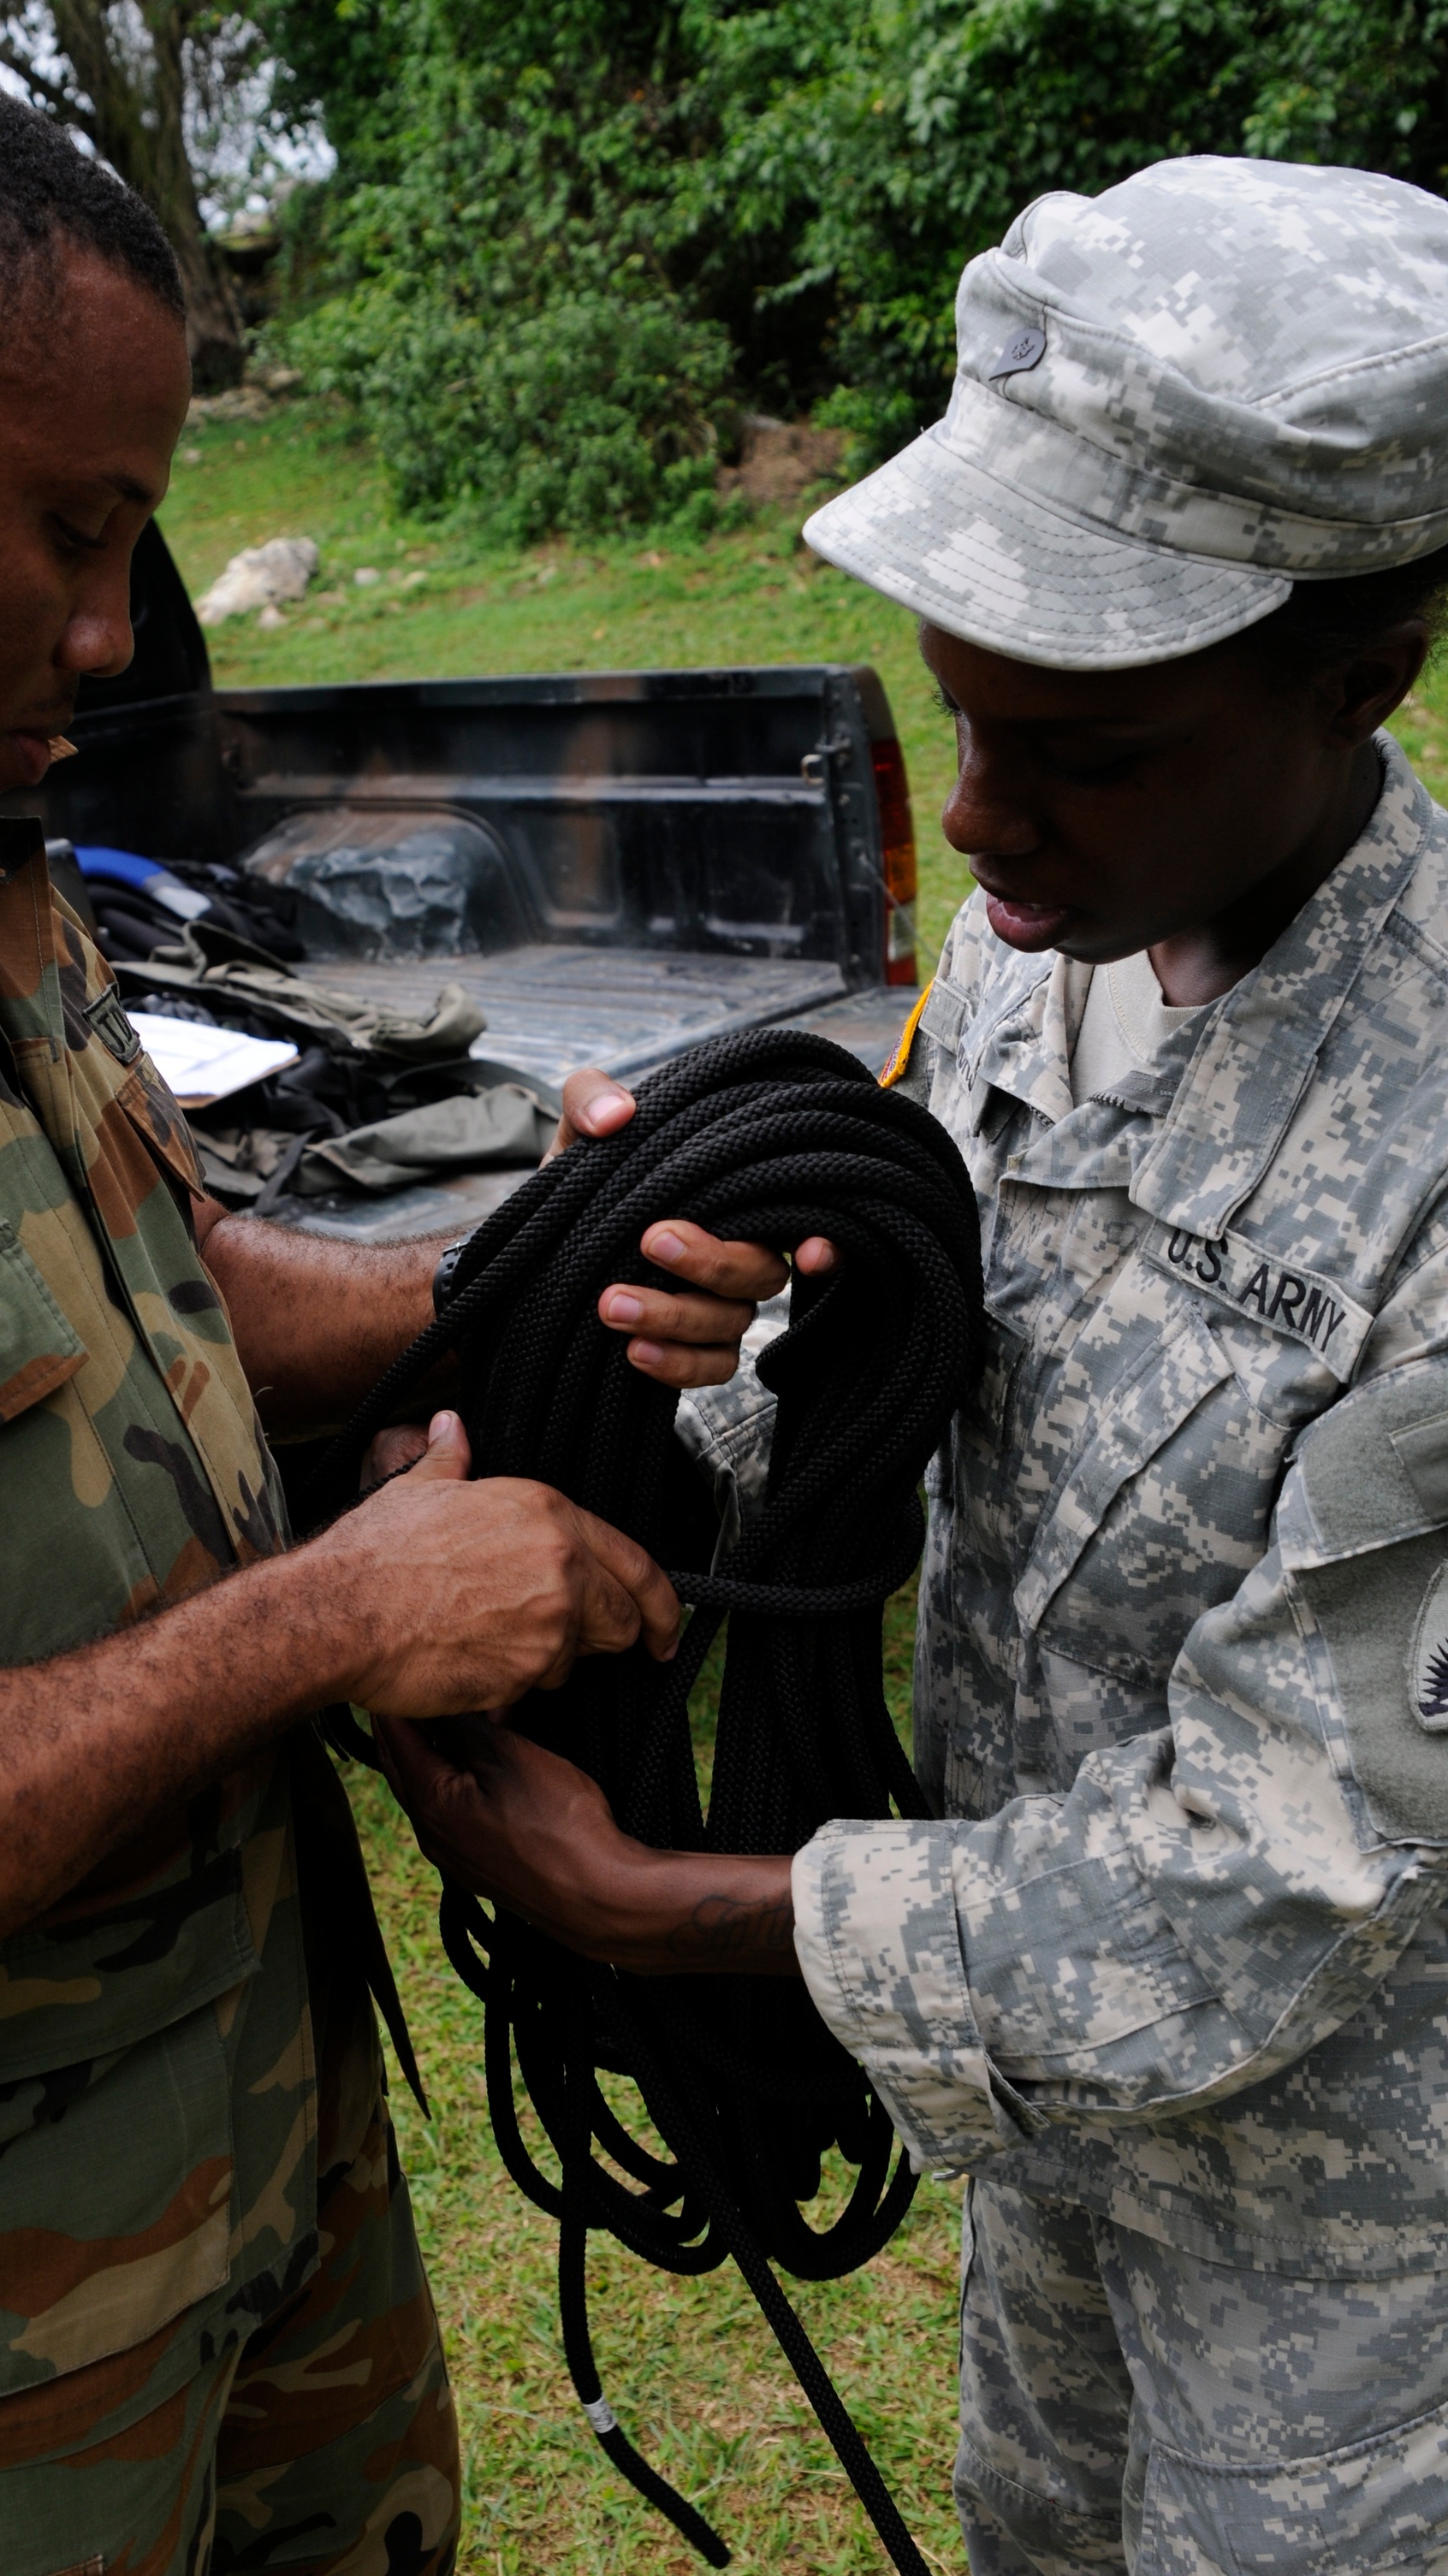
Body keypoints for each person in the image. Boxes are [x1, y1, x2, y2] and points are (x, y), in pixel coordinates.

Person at [0, 48, 820, 2572]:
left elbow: (127, 1276)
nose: (119, 634)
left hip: (251, 2168)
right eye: (74, 530)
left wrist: (516, 1278)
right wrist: (321, 1621)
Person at [384, 156, 1448, 2570]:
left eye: (1078, 745)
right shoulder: (1043, 952)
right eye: (963, 717)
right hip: (1052, 2187)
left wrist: (683, 1905)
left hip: (1360, 2275)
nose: (975, 822)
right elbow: (957, 1406)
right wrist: (719, 1364)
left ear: (1361, 667)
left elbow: (1279, 1868)